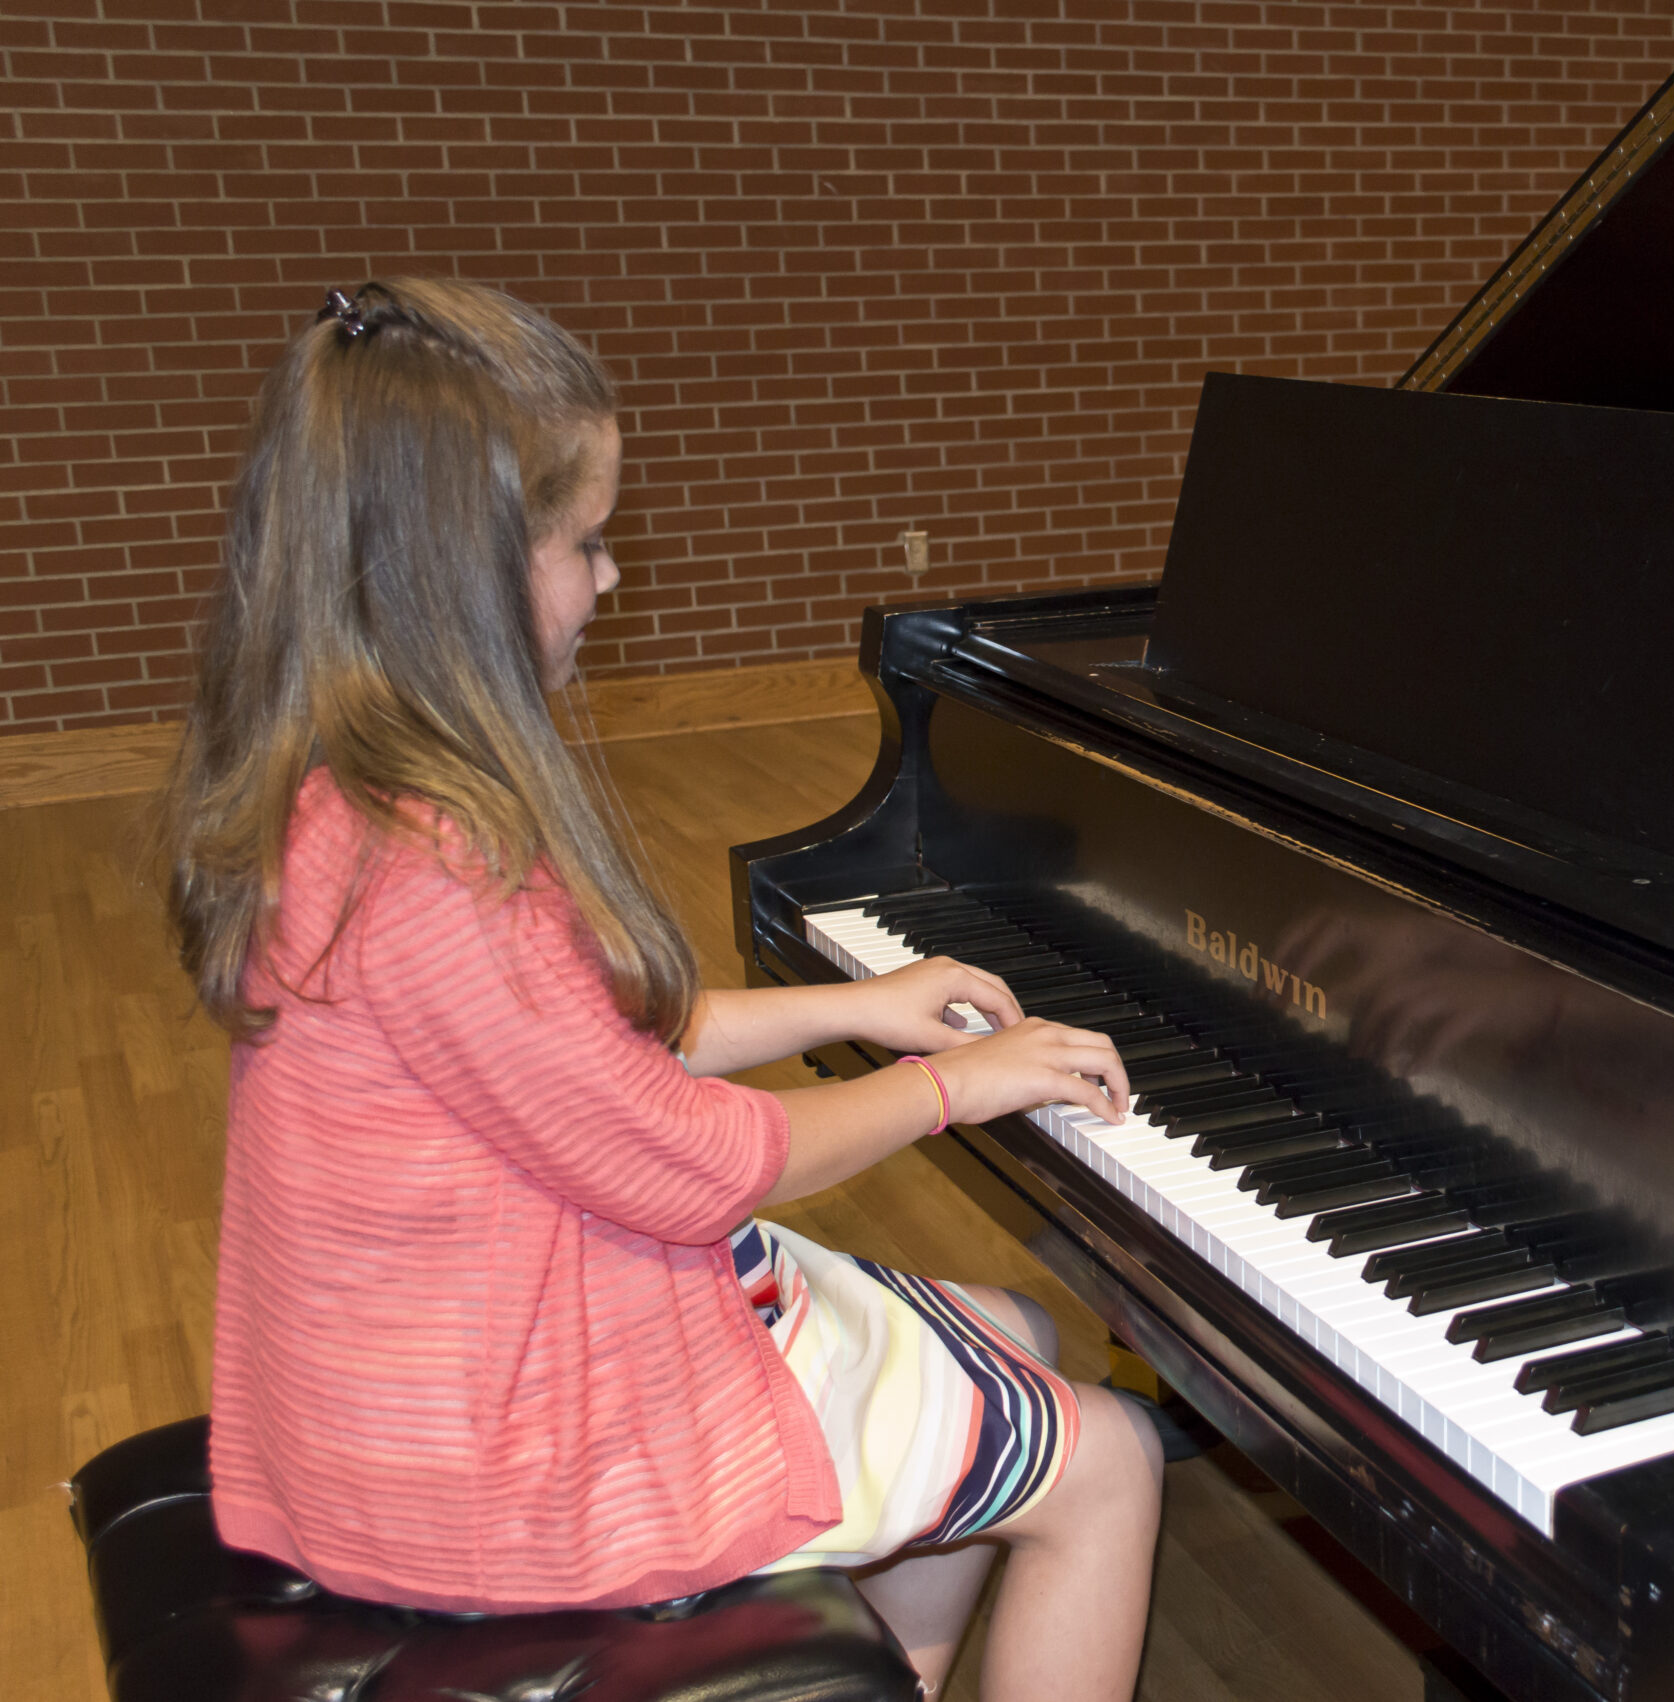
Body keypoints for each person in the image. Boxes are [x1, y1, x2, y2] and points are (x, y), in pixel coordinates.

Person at [151, 278, 1161, 1702]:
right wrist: (946, 1086)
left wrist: (849, 1007)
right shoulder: (434, 865)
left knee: (1021, 1334)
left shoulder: (350, 800)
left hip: (435, 1374)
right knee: (1111, 1457)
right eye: (587, 542)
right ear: (464, 574)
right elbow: (693, 1163)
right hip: (498, 1467)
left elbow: (596, 1049)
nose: (612, 577)